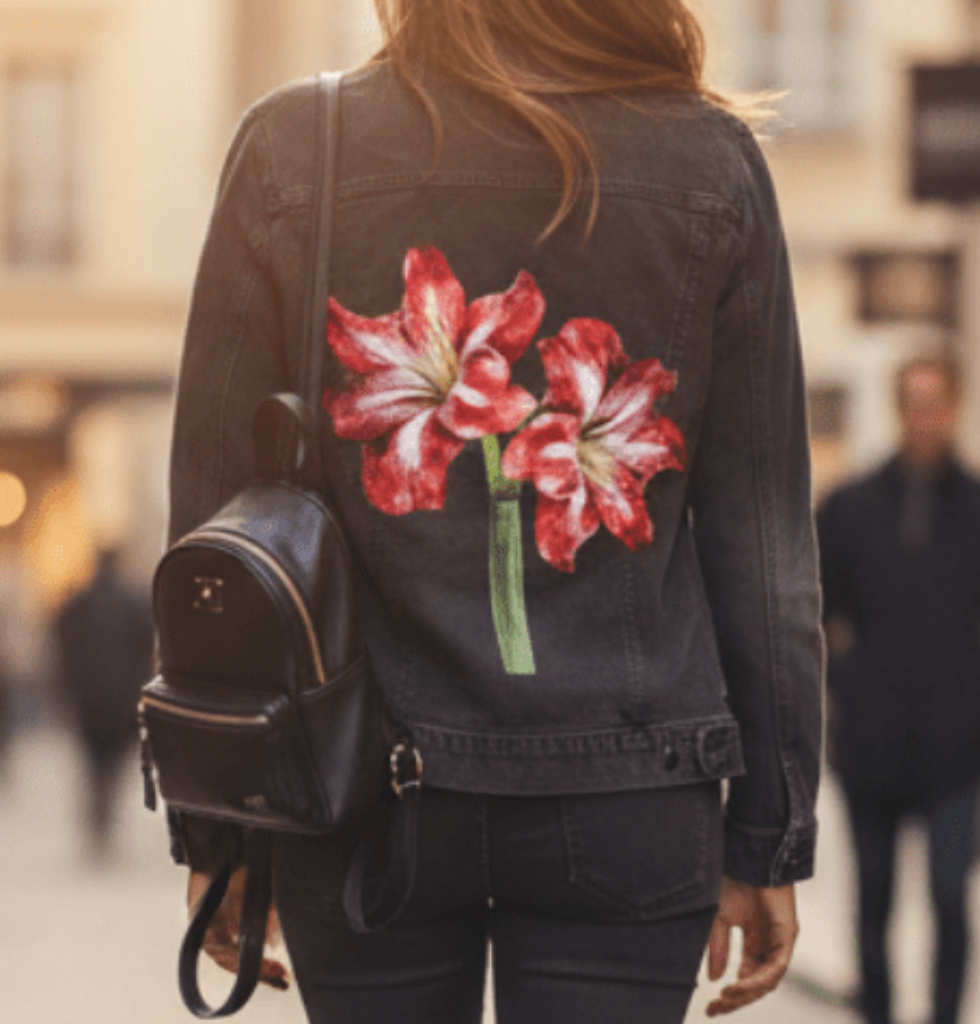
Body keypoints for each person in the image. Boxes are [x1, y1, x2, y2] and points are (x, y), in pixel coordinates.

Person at [166, 1, 824, 1020]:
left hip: (360, 790)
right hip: (630, 789)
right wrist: (769, 831)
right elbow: (763, 541)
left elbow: (209, 526)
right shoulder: (710, 162)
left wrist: (218, 830)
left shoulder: (296, 146)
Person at [817, 355, 980, 1024]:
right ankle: (875, 1014)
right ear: (899, 408)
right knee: (873, 900)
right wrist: (848, 679)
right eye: (913, 402)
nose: (925, 416)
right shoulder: (849, 506)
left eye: (937, 402)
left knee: (950, 896)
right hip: (871, 739)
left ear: (956, 406)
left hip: (956, 745)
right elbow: (816, 614)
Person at [55, 546, 152, 860]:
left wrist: (65, 691)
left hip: (88, 700)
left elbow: (61, 651)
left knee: (94, 764)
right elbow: (147, 654)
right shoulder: (134, 603)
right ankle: (104, 818)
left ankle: (98, 819)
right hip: (122, 700)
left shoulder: (77, 604)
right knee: (112, 764)